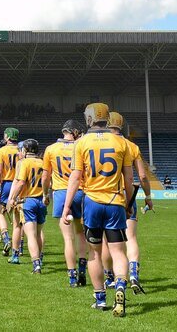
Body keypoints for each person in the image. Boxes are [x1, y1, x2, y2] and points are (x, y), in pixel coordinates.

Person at [62, 103, 134, 318]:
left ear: (90, 119)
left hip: (92, 202)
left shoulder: (81, 143)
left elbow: (75, 177)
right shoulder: (121, 143)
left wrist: (67, 206)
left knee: (94, 252)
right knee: (118, 252)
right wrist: (128, 204)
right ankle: (120, 285)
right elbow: (129, 179)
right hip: (115, 201)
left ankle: (100, 298)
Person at [101, 112, 151, 294]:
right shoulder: (132, 146)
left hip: (108, 195)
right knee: (131, 238)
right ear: (121, 125)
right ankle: (133, 274)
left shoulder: (99, 144)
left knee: (108, 241)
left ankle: (110, 277)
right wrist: (148, 197)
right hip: (128, 195)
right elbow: (143, 176)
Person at [42, 119, 88, 287]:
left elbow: (45, 176)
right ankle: (83, 269)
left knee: (68, 239)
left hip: (61, 193)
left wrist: (45, 193)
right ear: (75, 131)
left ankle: (71, 276)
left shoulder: (51, 149)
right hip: (81, 192)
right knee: (81, 234)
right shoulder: (81, 146)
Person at [6, 139, 47, 273]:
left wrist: (12, 198)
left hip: (28, 201)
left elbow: (21, 182)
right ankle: (40, 258)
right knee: (39, 232)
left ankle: (36, 264)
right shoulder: (43, 162)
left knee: (30, 234)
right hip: (41, 200)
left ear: (25, 150)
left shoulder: (24, 163)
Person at [0, 127, 21, 257]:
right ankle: (19, 247)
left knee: (0, 213)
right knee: (19, 216)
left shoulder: (2, 150)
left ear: (8, 137)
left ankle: (6, 238)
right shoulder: (21, 149)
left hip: (7, 183)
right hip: (20, 184)